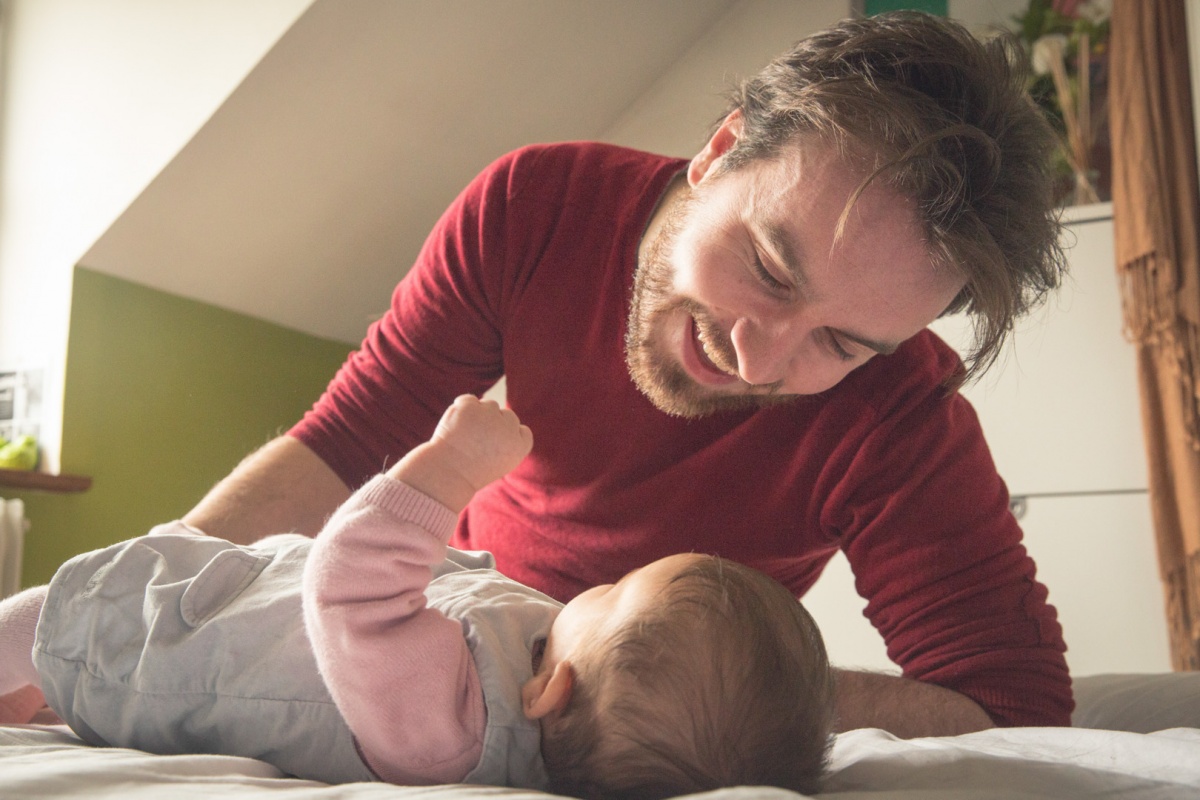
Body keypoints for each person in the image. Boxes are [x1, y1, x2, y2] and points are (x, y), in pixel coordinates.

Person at [183, 11, 1074, 735]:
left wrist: (688, 695)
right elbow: (343, 446)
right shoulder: (536, 209)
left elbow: (1015, 708)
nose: (755, 360)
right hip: (439, 629)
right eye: (767, 268)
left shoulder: (902, 411)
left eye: (838, 344)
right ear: (721, 150)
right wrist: (125, 602)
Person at [0, 396, 835, 798]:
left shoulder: (447, 731)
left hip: (154, 644)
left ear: (557, 688)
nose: (596, 584)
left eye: (613, 591)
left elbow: (352, 587)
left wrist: (449, 469)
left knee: (37, 622)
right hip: (224, 592)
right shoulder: (534, 688)